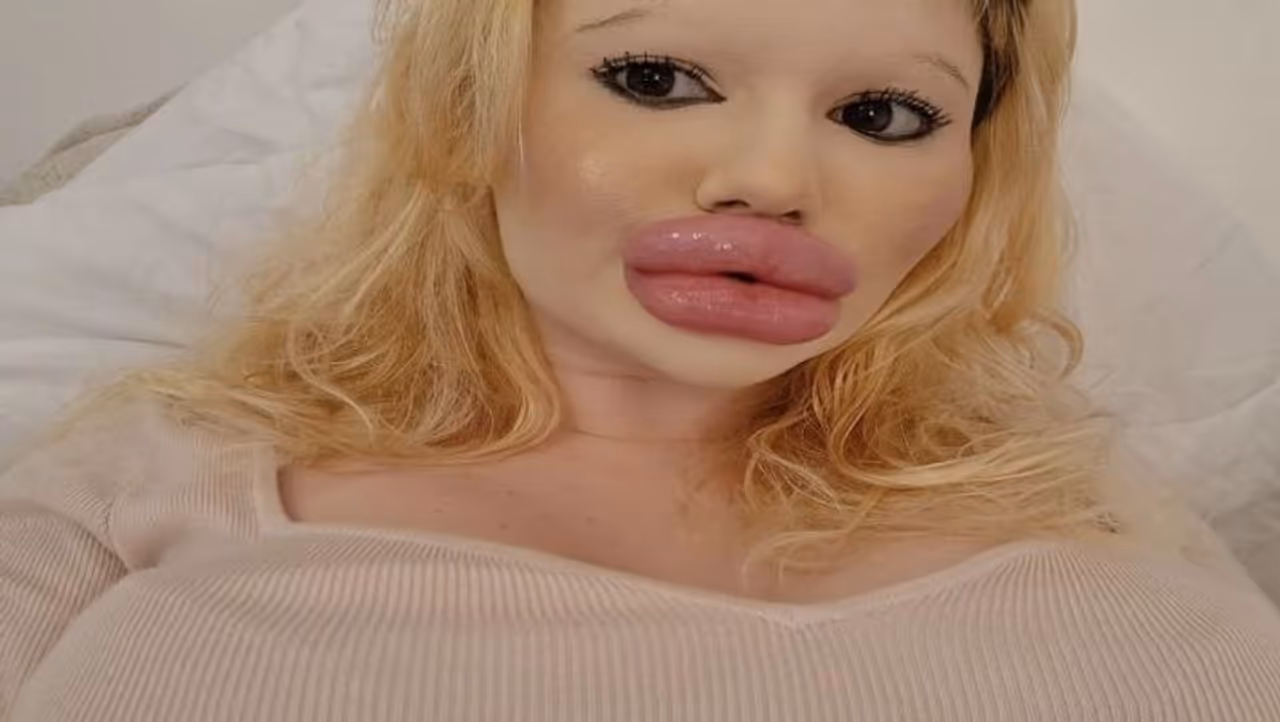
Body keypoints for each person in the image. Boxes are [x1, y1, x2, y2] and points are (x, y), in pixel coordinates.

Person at [3, 0, 1279, 719]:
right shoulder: (147, 471)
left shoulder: (1097, 511)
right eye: (654, 77)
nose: (769, 179)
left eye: (881, 114)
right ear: (472, 110)